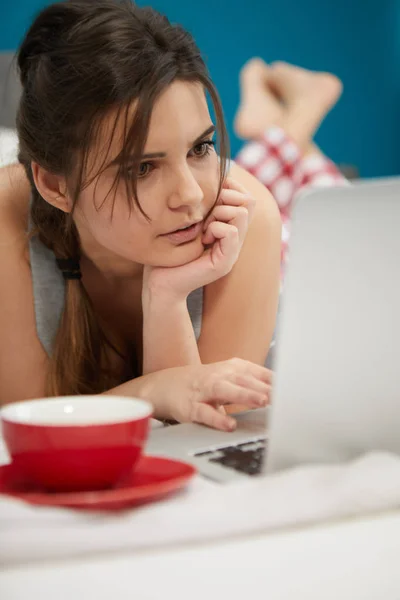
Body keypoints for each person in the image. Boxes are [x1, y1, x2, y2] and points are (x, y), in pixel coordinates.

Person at [0, 1, 346, 430]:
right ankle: (286, 118)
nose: (189, 196)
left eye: (201, 146)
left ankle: (296, 111)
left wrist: (166, 299)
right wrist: (153, 390)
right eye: (141, 168)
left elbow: (205, 437)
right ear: (55, 186)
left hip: (287, 256)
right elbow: (22, 430)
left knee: (326, 202)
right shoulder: (8, 218)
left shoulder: (250, 221)